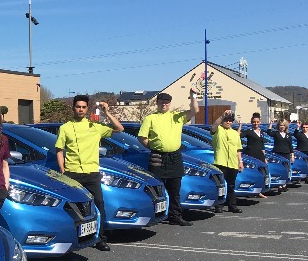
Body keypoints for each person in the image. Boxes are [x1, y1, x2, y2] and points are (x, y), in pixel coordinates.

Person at [55, 96, 123, 251]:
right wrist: (62, 169)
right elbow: (59, 150)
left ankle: (100, 239)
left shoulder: (95, 126)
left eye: (83, 107)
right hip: (72, 173)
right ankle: (74, 236)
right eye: (78, 106)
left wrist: (107, 113)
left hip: (91, 173)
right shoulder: (65, 128)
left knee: (98, 204)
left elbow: (119, 128)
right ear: (73, 108)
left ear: (87, 109)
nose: (80, 109)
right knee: (72, 207)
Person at [137, 89, 199, 226]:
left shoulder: (177, 116)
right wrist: (153, 147)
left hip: (174, 157)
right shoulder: (150, 118)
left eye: (166, 102)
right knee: (156, 188)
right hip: (157, 156)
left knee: (175, 189)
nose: (164, 104)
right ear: (157, 103)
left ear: (170, 104)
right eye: (161, 102)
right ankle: (155, 215)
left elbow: (195, 110)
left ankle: (175, 216)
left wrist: (193, 96)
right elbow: (141, 137)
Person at [211, 110, 244, 213]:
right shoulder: (218, 130)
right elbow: (213, 127)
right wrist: (222, 116)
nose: (228, 122)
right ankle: (219, 206)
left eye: (230, 120)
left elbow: (238, 149)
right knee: (220, 185)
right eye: (226, 120)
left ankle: (232, 206)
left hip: (233, 163)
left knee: (231, 185)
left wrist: (240, 162)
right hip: (221, 161)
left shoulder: (235, 133)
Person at [238, 113, 268, 198]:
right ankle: (252, 190)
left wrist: (264, 157)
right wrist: (240, 125)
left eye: (257, 122)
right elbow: (238, 135)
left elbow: (262, 145)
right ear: (251, 122)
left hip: (260, 154)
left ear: (260, 122)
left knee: (261, 173)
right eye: (254, 122)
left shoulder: (261, 132)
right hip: (251, 154)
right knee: (253, 173)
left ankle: (259, 191)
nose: (256, 123)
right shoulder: (249, 131)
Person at [266, 119, 294, 192]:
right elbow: (268, 132)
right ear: (278, 126)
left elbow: (290, 146)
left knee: (286, 169)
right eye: (281, 125)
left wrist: (292, 155)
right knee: (279, 169)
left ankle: (284, 184)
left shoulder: (288, 135)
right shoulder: (276, 133)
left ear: (286, 126)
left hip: (286, 153)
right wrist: (271, 123)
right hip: (277, 153)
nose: (282, 127)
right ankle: (279, 185)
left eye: (284, 125)